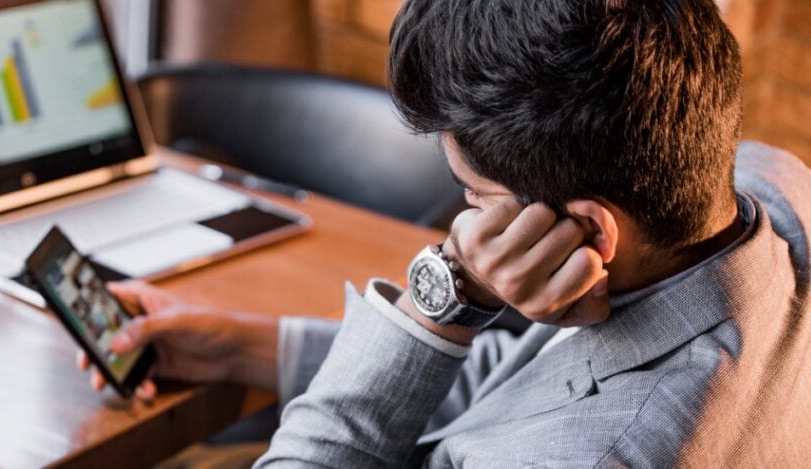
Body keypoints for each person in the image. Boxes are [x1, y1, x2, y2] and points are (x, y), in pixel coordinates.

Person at [79, 0, 811, 466]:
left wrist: (447, 290)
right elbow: (532, 386)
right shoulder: (775, 187)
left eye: (475, 196)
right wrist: (245, 346)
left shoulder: (584, 457)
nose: (464, 223)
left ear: (589, 229)